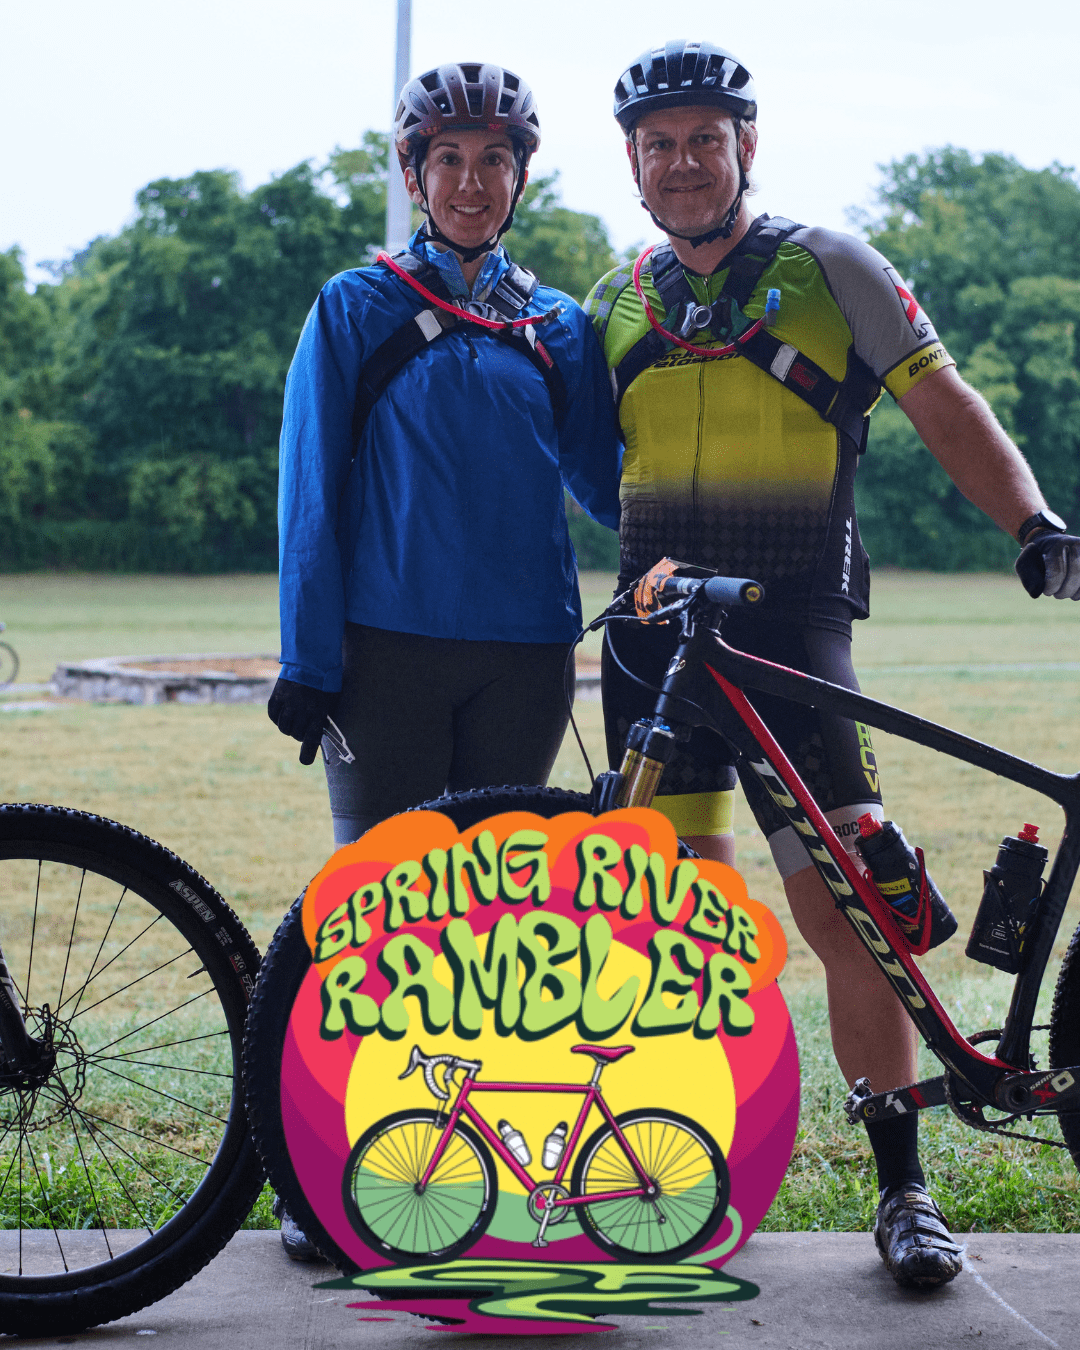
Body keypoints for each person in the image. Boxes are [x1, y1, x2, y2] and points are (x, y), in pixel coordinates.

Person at [585, 39, 1080, 1290]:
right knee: (662, 930)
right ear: (632, 162)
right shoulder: (613, 300)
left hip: (789, 640)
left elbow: (942, 398)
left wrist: (1030, 523)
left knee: (849, 914)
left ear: (746, 146)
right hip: (654, 653)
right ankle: (671, 1179)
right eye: (659, 143)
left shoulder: (831, 267)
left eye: (705, 139)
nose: (683, 161)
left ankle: (904, 1190)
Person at [267, 61, 620, 1258]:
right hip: (387, 658)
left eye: (494, 160)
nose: (473, 181)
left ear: (522, 176)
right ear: (414, 175)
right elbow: (311, 489)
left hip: (526, 660)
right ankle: (318, 1174)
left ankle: (458, 1180)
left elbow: (607, 485)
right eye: (449, 160)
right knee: (377, 923)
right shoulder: (355, 306)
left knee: (493, 926)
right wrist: (309, 656)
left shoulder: (557, 324)